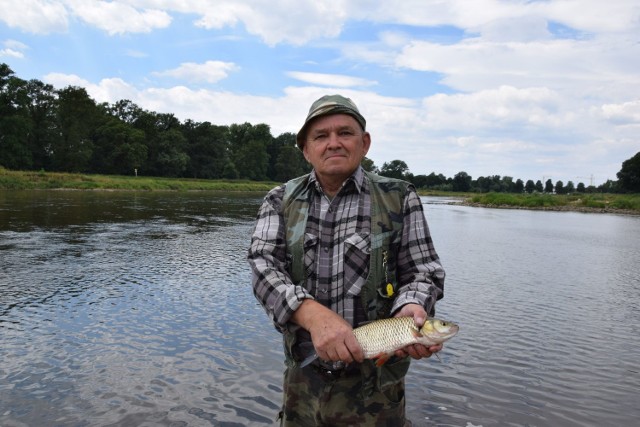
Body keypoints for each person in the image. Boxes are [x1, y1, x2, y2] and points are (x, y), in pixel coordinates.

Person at [248, 94, 445, 426]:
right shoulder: (279, 199)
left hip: (377, 390)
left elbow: (422, 271)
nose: (333, 143)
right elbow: (262, 264)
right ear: (305, 149)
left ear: (364, 143)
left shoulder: (400, 196)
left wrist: (411, 308)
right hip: (303, 381)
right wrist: (312, 316)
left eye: (345, 133)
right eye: (321, 136)